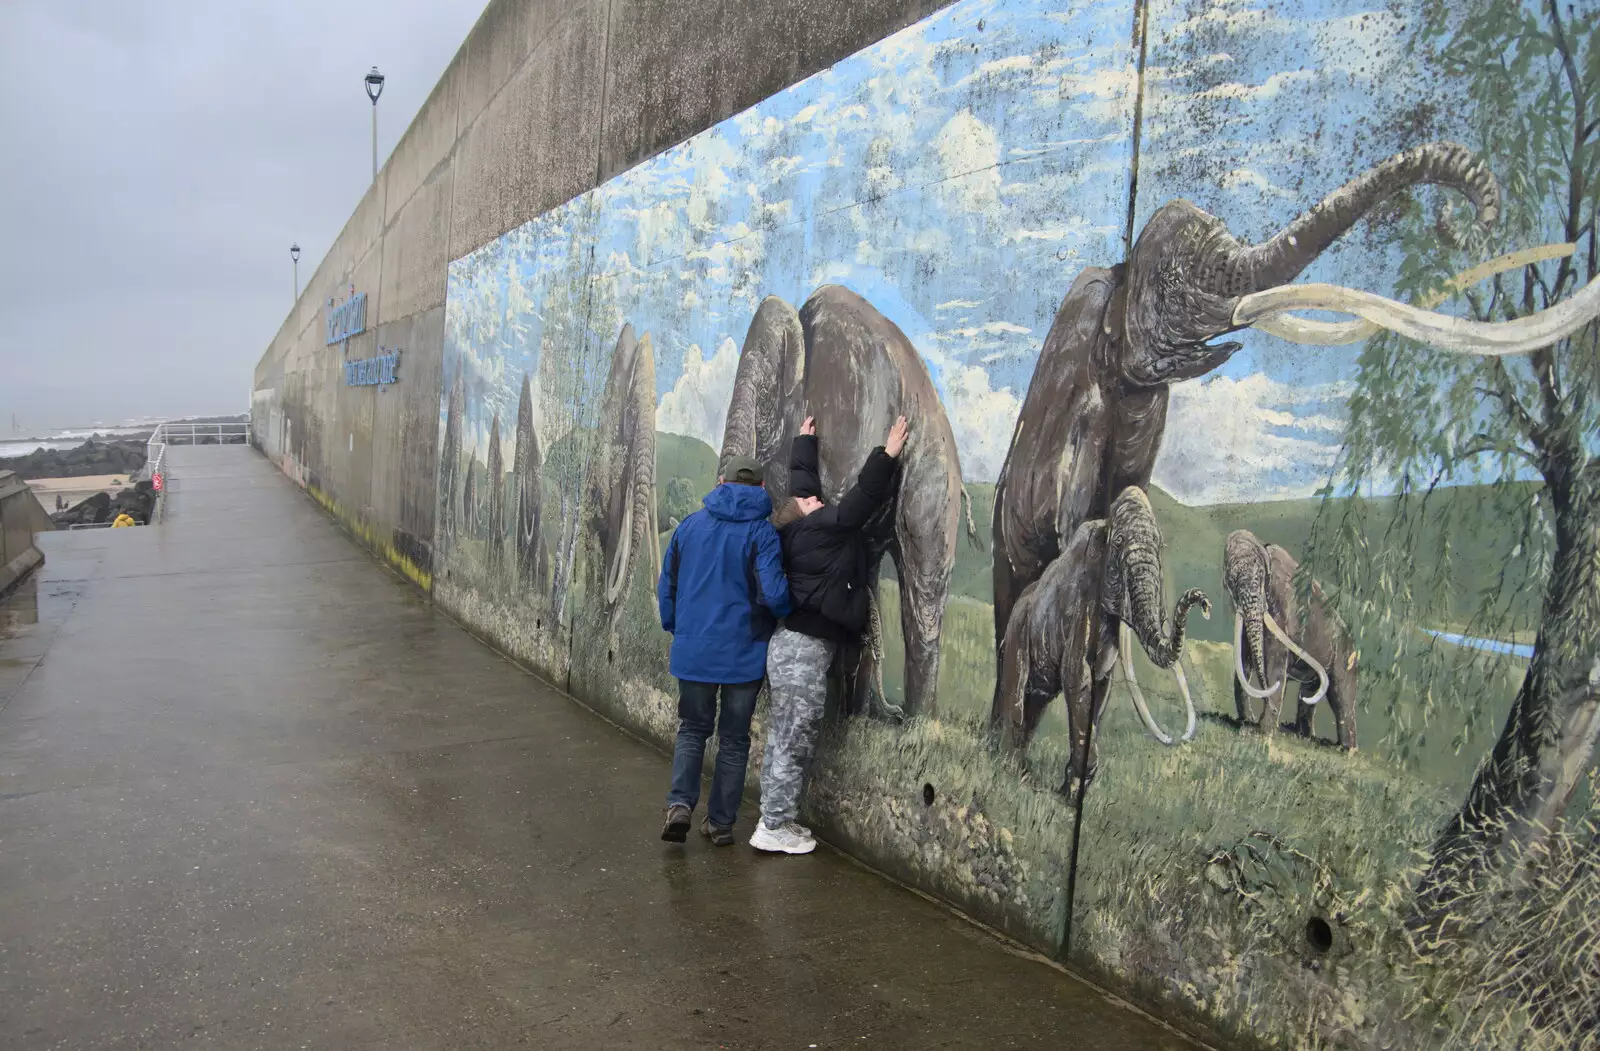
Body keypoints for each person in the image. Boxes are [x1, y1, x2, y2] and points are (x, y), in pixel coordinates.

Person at [750, 414, 909, 855]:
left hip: (791, 648)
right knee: (793, 740)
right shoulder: (817, 530)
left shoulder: (798, 528)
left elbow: (804, 485)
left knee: (787, 736)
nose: (814, 500)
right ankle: (773, 826)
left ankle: (776, 818)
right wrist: (888, 454)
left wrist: (804, 442)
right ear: (802, 517)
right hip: (801, 654)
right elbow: (861, 501)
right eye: (808, 502)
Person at [657, 454, 792, 846]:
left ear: (720, 482)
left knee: (693, 730)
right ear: (762, 489)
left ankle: (680, 805)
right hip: (743, 657)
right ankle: (720, 824)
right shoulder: (763, 534)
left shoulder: (689, 527)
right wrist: (787, 610)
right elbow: (775, 596)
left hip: (694, 651)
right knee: (733, 740)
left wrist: (677, 627)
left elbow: (668, 587)